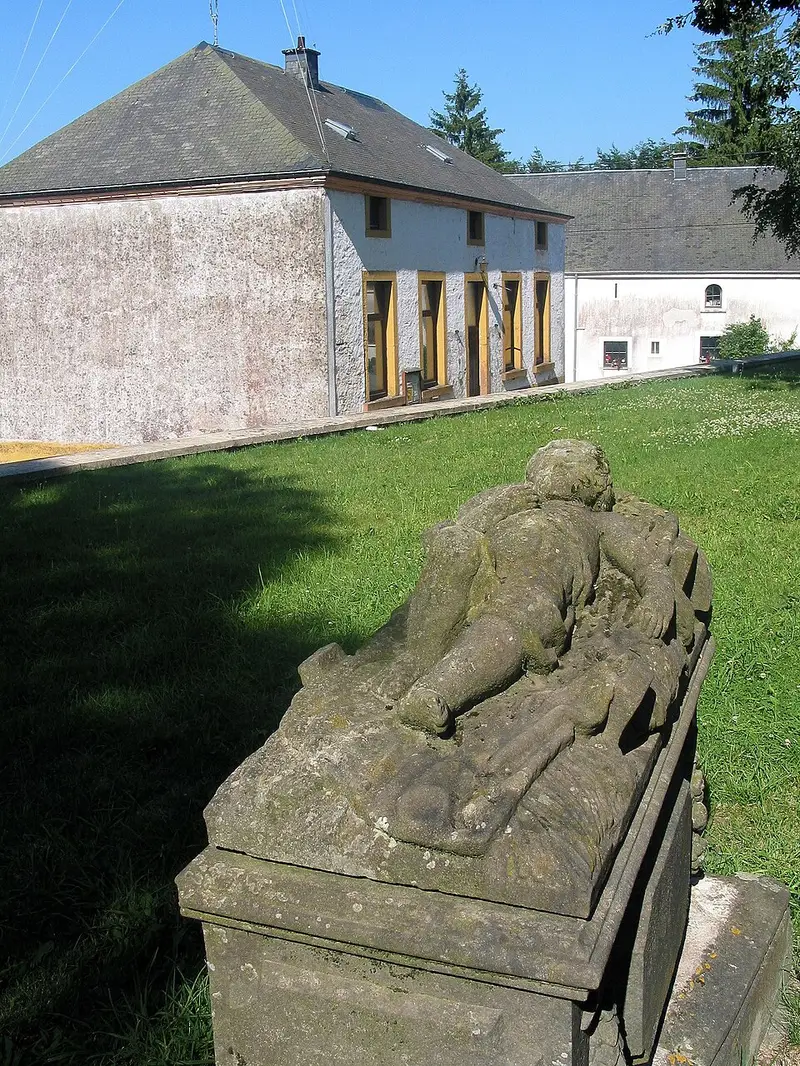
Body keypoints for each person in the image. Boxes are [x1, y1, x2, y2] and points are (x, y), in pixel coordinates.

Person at [392, 440, 678, 735]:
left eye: (572, 462)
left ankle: (433, 690)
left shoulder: (600, 522)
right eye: (552, 458)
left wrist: (658, 596)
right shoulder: (512, 496)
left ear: (598, 485)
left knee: (525, 610)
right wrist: (498, 507)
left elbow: (646, 564)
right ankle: (416, 660)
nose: (558, 465)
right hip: (483, 561)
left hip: (535, 581)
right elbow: (439, 537)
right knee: (456, 548)